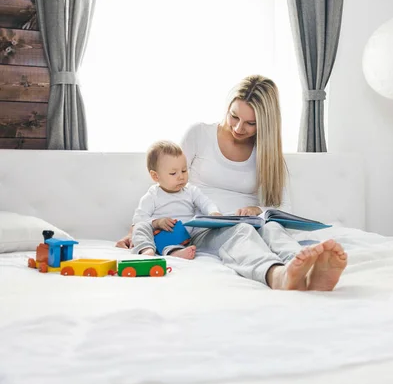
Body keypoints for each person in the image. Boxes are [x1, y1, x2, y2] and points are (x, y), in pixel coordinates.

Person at [116, 75, 347, 291]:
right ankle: (277, 275)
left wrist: (259, 210)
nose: (238, 128)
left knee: (273, 229)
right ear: (227, 107)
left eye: (250, 123)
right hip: (206, 227)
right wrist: (138, 230)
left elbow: (283, 210)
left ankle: (308, 266)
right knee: (241, 233)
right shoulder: (199, 134)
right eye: (234, 116)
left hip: (253, 220)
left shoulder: (267, 154)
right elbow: (167, 180)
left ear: (265, 124)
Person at [130, 140, 222, 260]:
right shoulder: (153, 195)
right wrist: (157, 222)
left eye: (184, 171)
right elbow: (138, 219)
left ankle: (176, 251)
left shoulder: (190, 191)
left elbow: (206, 202)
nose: (181, 176)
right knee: (140, 227)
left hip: (188, 237)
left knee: (206, 230)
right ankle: (147, 249)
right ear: (155, 176)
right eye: (173, 173)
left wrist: (213, 212)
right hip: (160, 236)